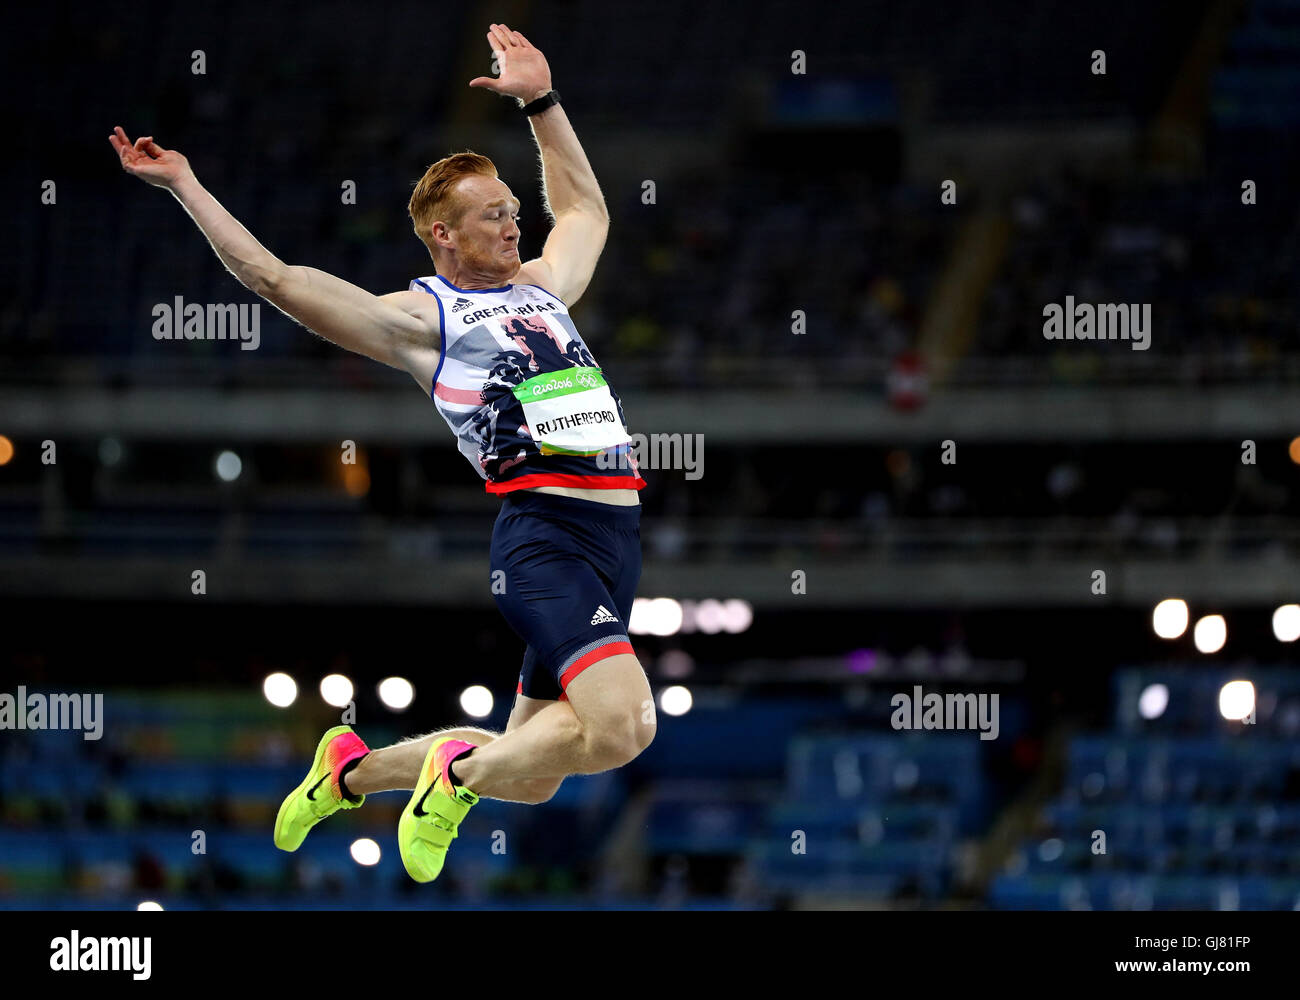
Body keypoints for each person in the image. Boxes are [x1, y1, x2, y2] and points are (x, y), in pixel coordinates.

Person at [110, 22, 656, 884]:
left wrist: (542, 102)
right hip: (545, 538)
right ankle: (456, 779)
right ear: (442, 234)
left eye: (514, 213)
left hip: (614, 541)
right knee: (623, 729)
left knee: (543, 768)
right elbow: (277, 280)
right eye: (492, 217)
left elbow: (585, 208)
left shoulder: (544, 287)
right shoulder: (420, 320)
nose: (514, 227)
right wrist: (185, 185)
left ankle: (349, 773)